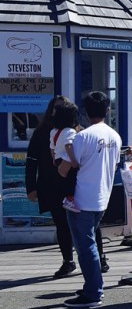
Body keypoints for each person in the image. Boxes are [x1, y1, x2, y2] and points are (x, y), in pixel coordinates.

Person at [60, 91, 122, 308]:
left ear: (85, 113)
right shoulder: (115, 136)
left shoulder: (82, 137)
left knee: (85, 246)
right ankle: (93, 285)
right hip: (103, 197)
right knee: (91, 243)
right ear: (107, 110)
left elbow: (64, 169)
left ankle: (94, 291)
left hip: (81, 199)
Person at [26, 96, 76, 277]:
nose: (59, 112)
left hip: (75, 184)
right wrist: (30, 186)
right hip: (51, 184)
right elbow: (31, 160)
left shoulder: (76, 131)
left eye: (63, 108)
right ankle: (68, 261)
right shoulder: (43, 132)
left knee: (90, 223)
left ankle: (100, 258)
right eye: (56, 108)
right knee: (61, 224)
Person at [50, 98, 81, 212]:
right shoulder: (70, 131)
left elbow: (52, 148)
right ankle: (70, 199)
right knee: (71, 181)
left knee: (63, 182)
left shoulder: (54, 131)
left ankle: (67, 198)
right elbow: (69, 146)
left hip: (58, 159)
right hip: (66, 160)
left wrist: (54, 159)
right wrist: (73, 161)